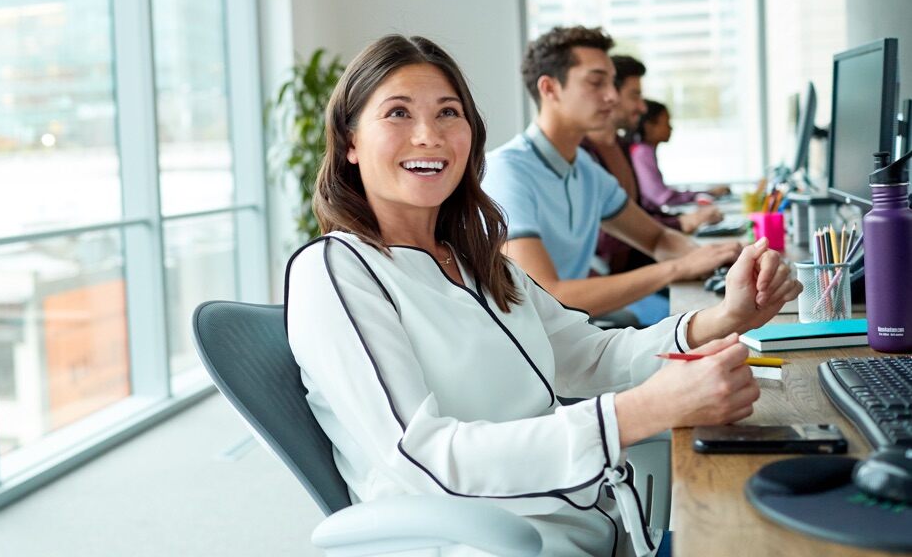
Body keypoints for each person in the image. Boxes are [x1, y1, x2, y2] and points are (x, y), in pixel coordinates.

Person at [285, 34, 801, 557]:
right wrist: (636, 413)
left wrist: (723, 317)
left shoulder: (475, 260)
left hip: (591, 525)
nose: (428, 136)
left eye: (448, 113)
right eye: (397, 113)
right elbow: (425, 458)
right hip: (491, 545)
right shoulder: (336, 271)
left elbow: (592, 355)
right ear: (350, 142)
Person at [483, 26, 740, 326]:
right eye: (596, 83)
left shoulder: (586, 170)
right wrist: (678, 268)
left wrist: (715, 260)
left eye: (612, 84)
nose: (612, 97)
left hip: (568, 332)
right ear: (550, 89)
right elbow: (547, 295)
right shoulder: (506, 172)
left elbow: (657, 238)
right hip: (528, 346)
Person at [583, 55, 721, 276]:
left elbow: (638, 213)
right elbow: (610, 237)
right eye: (635, 95)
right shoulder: (583, 157)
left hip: (638, 264)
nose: (642, 107)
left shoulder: (623, 147)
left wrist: (702, 253)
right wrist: (680, 225)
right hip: (615, 276)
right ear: (609, 95)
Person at [630, 100, 731, 209]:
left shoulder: (646, 151)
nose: (671, 128)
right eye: (666, 122)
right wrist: (707, 193)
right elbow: (663, 197)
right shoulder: (642, 152)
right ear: (649, 126)